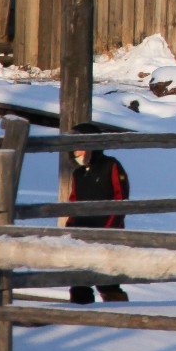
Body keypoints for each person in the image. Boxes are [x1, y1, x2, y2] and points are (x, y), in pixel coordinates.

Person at [64, 125, 129, 304]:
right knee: (79, 283)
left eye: (79, 145)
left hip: (107, 234)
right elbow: (73, 202)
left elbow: (120, 199)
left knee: (107, 281)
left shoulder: (111, 165)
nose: (75, 151)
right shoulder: (78, 173)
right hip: (81, 236)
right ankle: (80, 317)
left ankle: (119, 315)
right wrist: (70, 230)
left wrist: (109, 230)